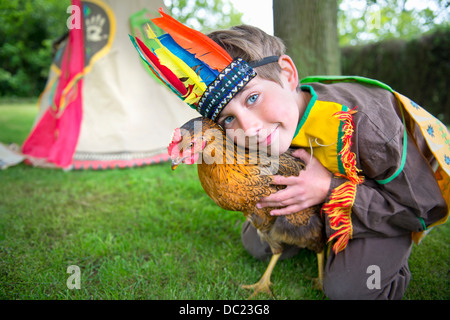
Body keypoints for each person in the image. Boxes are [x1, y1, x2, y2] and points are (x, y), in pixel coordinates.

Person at [130, 10, 449, 299]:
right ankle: (313, 227)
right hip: (308, 197)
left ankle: (383, 255)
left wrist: (329, 189)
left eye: (252, 98)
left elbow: (424, 209)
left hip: (390, 203)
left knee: (349, 289)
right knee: (257, 243)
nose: (250, 128)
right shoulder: (260, 123)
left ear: (288, 74)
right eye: (229, 118)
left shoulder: (372, 127)